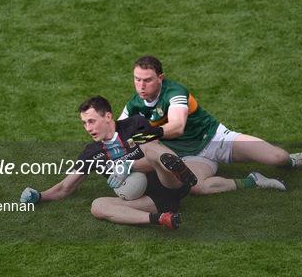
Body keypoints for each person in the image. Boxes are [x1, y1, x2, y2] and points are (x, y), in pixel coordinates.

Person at [119, 55, 302, 195]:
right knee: (195, 187)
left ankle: (291, 162)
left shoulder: (175, 92)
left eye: (147, 80)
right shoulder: (134, 105)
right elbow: (115, 135)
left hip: (217, 139)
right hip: (190, 157)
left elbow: (178, 126)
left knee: (278, 157)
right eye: (137, 80)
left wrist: (146, 135)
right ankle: (254, 181)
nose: (141, 86)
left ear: (160, 78)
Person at [20, 96, 198, 229]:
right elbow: (65, 187)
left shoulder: (135, 124)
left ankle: (182, 171)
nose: (88, 128)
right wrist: (39, 196)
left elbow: (154, 156)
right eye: (84, 123)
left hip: (169, 182)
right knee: (97, 206)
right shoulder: (91, 153)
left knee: (151, 149)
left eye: (91, 121)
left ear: (107, 116)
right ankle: (161, 218)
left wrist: (128, 166)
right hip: (152, 201)